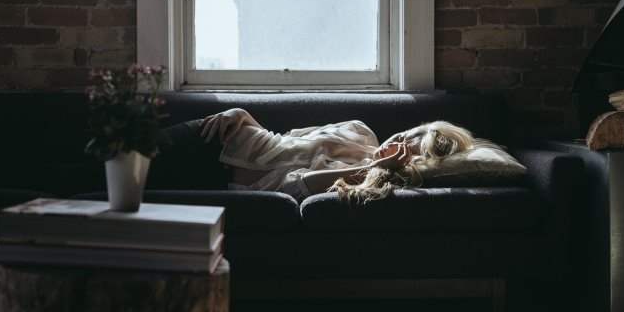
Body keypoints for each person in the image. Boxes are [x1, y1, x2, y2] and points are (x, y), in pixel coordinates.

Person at [164, 108, 474, 203]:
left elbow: (296, 187)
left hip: (214, 180)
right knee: (121, 147)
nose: (396, 144)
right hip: (215, 137)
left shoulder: (372, 180)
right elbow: (284, 141)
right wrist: (241, 115)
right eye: (403, 136)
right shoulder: (359, 129)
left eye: (406, 150)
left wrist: (376, 167)